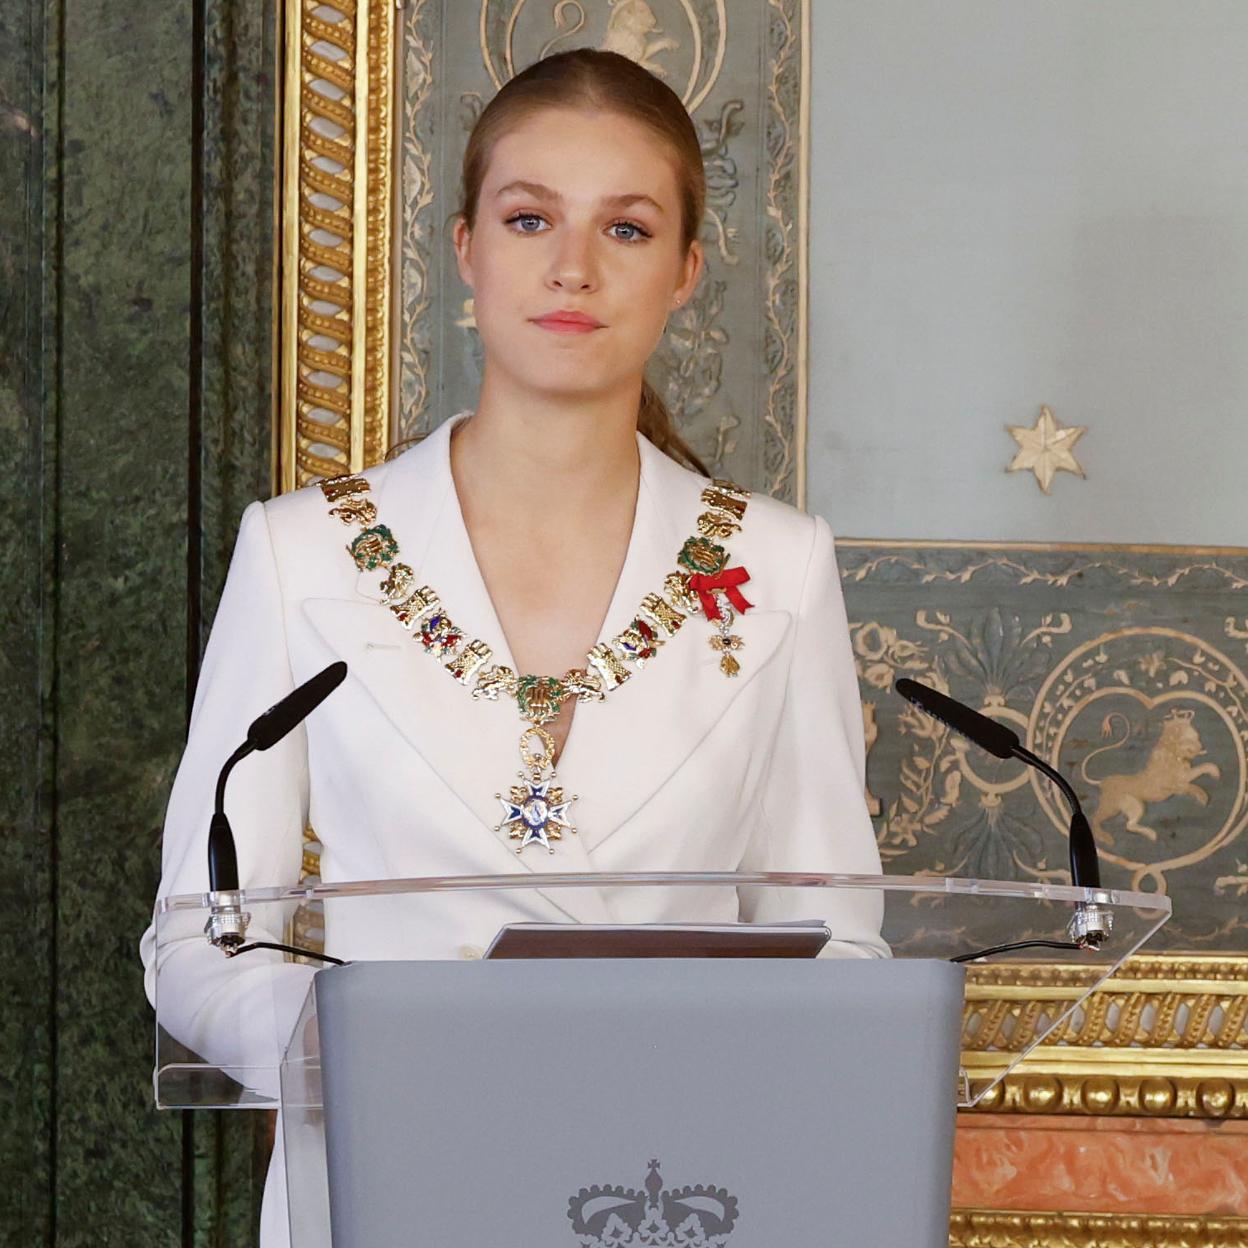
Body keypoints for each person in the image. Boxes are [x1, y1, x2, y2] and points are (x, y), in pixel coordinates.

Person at [140, 47, 886, 1248]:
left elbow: (840, 935)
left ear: (689, 269)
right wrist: (358, 1045)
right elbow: (201, 933)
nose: (573, 268)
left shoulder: (781, 565)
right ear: (465, 251)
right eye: (530, 217)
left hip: (675, 1189)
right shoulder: (302, 553)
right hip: (387, 1182)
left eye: (628, 229)